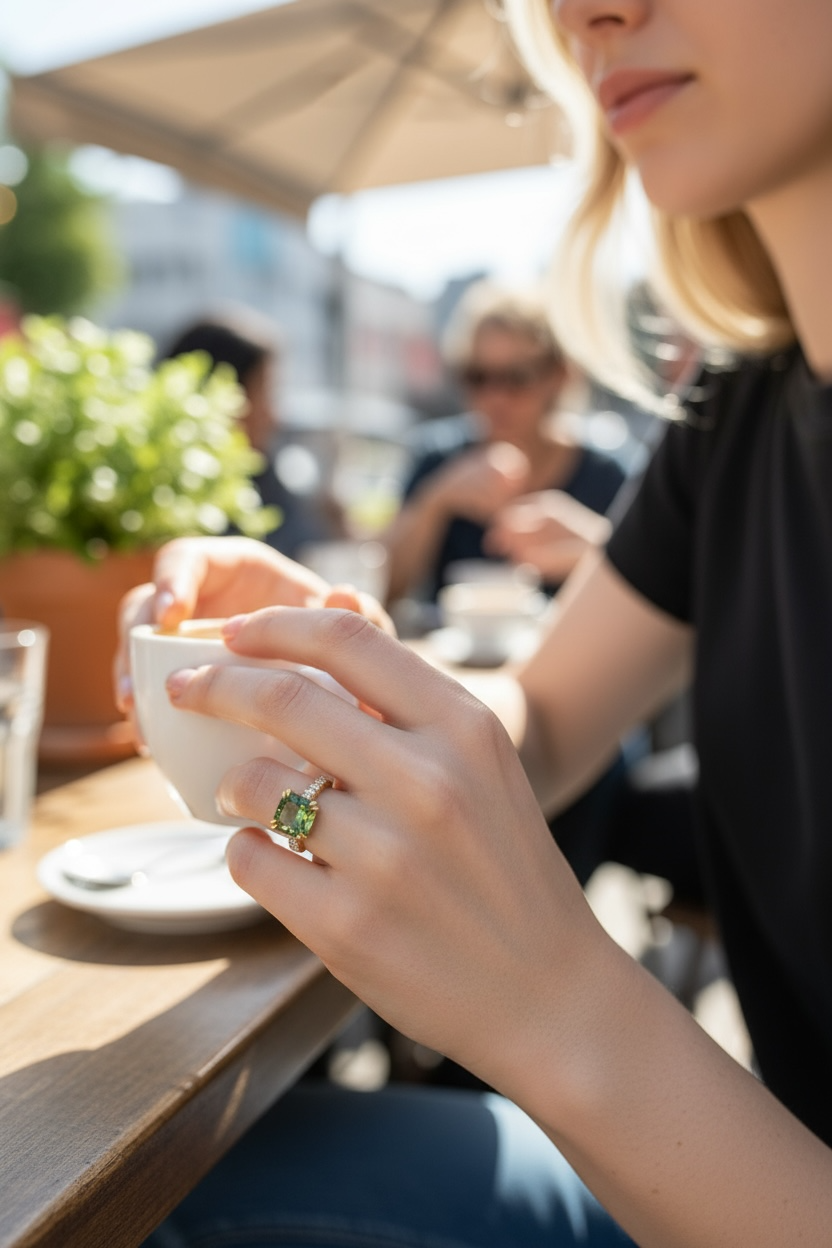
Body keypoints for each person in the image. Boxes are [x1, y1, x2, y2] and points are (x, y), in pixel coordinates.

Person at [124, 0, 832, 1242]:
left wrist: (556, 1006)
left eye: (518, 374)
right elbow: (543, 719)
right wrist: (354, 674)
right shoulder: (737, 413)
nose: (587, 12)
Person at [384, 281, 626, 604]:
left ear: (560, 376)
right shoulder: (437, 459)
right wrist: (435, 501)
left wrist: (596, 544)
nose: (495, 397)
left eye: (517, 377)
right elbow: (383, 587)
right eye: (478, 377)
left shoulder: (606, 476)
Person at [162, 313, 344, 559]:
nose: (275, 416)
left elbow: (307, 548)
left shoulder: (265, 479)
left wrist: (333, 524)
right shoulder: (164, 504)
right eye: (266, 393)